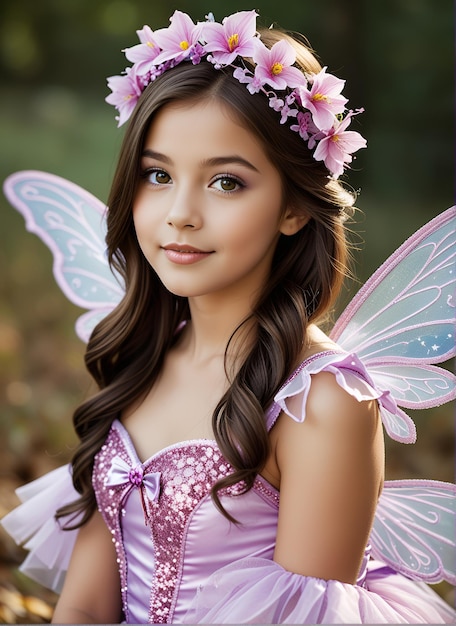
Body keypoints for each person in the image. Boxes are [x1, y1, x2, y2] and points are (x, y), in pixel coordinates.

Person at [2, 9, 455, 624]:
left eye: (226, 183)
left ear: (294, 208)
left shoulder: (323, 402)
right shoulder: (143, 356)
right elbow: (82, 608)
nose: (181, 213)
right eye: (157, 175)